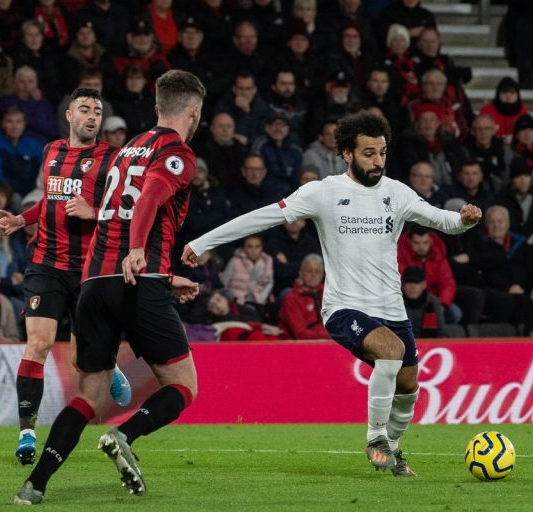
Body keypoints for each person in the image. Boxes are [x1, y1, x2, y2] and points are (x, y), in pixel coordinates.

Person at [181, 111, 482, 477]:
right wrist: (203, 242)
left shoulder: (397, 193)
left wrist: (463, 220)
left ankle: (393, 449)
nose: (378, 161)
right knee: (390, 351)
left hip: (392, 309)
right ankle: (375, 438)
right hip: (344, 308)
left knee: (408, 387)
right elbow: (262, 217)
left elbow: (441, 219)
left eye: (382, 152)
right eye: (369, 153)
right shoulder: (323, 192)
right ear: (347, 154)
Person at [11, 69, 204, 505]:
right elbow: (149, 197)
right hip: (138, 280)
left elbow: (110, 215)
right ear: (193, 111)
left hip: (95, 282)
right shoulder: (176, 152)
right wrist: (140, 253)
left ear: (157, 107)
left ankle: (35, 484)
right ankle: (124, 435)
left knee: (90, 395)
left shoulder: (127, 149)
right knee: (183, 386)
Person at [0, 88, 131, 466]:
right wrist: (22, 219)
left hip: (89, 269)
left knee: (81, 360)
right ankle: (26, 432)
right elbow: (50, 200)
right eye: (84, 109)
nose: (92, 116)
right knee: (38, 345)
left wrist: (94, 211)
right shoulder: (51, 151)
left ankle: (108, 364)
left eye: (97, 111)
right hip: (46, 264)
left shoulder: (112, 158)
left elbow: (127, 207)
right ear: (69, 115)